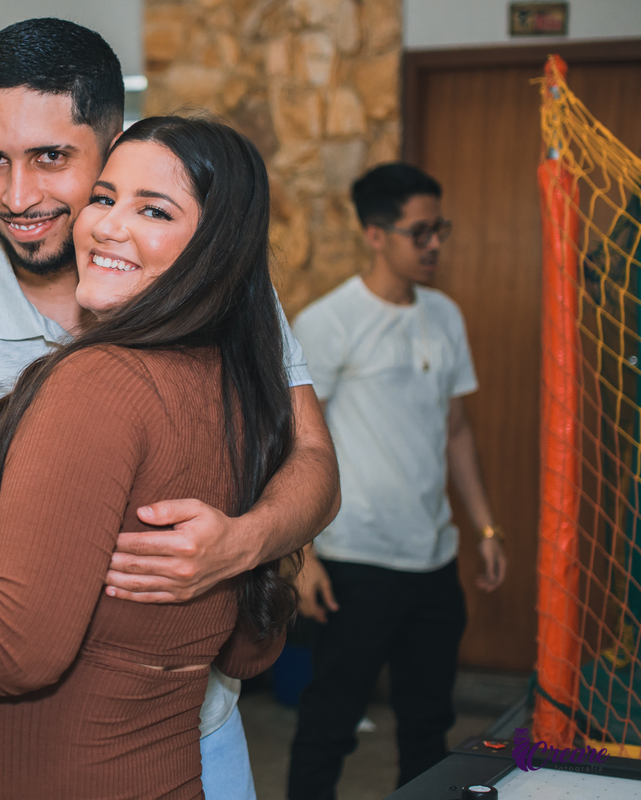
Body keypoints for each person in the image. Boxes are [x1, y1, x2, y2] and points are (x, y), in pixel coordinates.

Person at [0, 19, 340, 798]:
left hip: (191, 725)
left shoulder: (219, 293)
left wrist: (242, 542)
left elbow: (314, 462)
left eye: (52, 159)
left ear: (113, 145)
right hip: (0, 739)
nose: (18, 195)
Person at [287, 163, 508, 799]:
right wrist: (302, 556)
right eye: (421, 231)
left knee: (428, 726)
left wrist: (486, 525)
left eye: (440, 228)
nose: (435, 242)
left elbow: (457, 431)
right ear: (375, 234)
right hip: (356, 563)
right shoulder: (330, 323)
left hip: (435, 563)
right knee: (329, 725)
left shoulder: (445, 315)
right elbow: (294, 447)